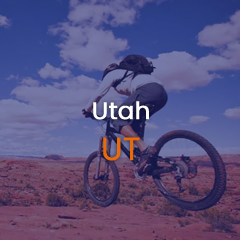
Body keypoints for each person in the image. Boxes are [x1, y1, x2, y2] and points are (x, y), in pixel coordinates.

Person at [82, 55, 168, 176]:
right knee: (133, 124)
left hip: (147, 91)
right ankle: (147, 160)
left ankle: (146, 149)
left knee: (117, 119)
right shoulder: (134, 76)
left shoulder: (113, 74)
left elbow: (99, 94)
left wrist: (87, 110)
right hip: (162, 95)